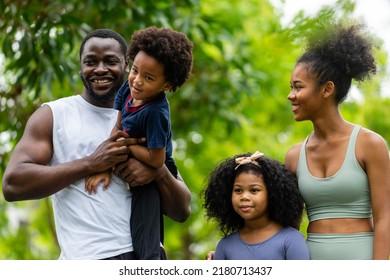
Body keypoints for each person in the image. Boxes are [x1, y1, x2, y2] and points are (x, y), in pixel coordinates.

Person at [1, 28, 191, 260]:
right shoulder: (53, 115)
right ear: (81, 66)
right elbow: (12, 184)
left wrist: (157, 172)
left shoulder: (147, 115)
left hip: (144, 258)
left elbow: (181, 210)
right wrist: (91, 163)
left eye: (110, 61)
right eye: (91, 61)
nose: (100, 69)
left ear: (125, 63)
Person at [85, 26, 193, 260]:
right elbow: (118, 127)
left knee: (146, 215)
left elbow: (157, 159)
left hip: (157, 162)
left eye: (149, 77)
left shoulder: (155, 113)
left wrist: (130, 146)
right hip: (136, 153)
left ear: (166, 85)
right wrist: (104, 166)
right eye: (135, 70)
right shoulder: (129, 88)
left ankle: (151, 261)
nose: (137, 81)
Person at [285, 21, 390, 259]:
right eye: (291, 87)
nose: (291, 95)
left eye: (298, 87)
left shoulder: (370, 145)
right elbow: (285, 228)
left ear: (327, 89)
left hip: (362, 259)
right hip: (312, 260)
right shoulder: (293, 156)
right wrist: (228, 253)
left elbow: (385, 218)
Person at [202, 151, 309, 260]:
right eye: (238, 190)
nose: (244, 197)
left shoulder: (291, 240)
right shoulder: (225, 246)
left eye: (254, 190)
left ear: (272, 193)